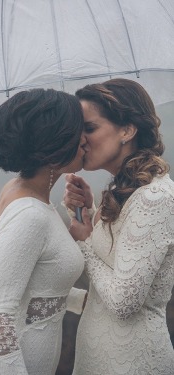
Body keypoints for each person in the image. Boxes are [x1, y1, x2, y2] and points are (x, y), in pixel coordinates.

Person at [0, 88, 87, 375]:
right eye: (79, 131)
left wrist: (87, 302)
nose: (86, 139)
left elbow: (36, 290)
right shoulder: (30, 214)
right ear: (56, 147)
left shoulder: (26, 194)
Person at [64, 78, 174, 375]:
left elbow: (124, 301)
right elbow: (109, 269)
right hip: (96, 356)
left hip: (132, 361)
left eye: (90, 128)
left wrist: (85, 242)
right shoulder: (121, 192)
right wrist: (87, 212)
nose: (81, 139)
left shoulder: (155, 198)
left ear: (127, 130)